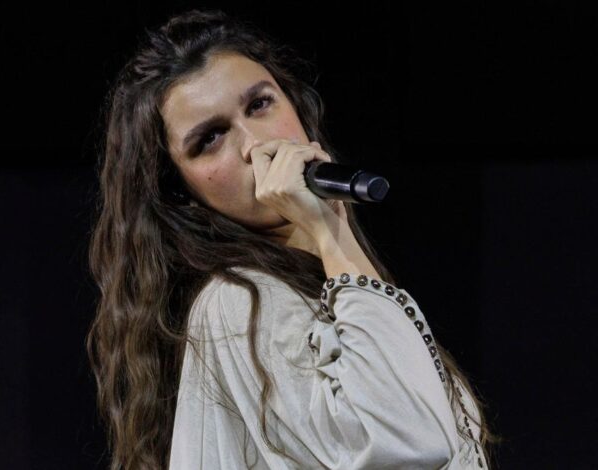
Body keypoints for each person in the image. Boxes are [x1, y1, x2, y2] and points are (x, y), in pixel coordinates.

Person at [86, 8, 500, 470]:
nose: (254, 144)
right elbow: (408, 440)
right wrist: (328, 228)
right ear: (182, 193)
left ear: (296, 106)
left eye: (260, 104)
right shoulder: (240, 302)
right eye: (211, 138)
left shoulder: (321, 282)